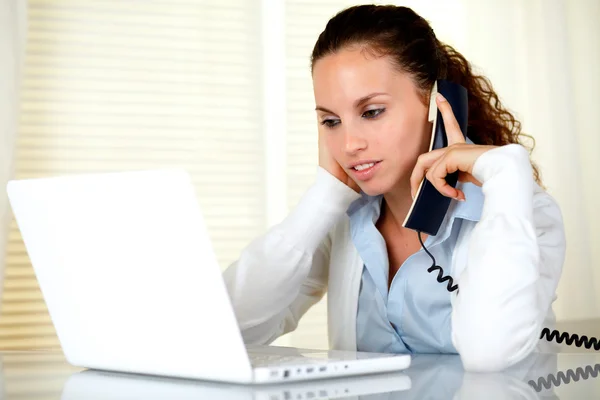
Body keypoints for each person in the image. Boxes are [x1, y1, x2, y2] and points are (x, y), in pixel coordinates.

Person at [222, 4, 565, 372]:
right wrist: (325, 197)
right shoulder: (345, 221)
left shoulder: (521, 211)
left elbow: (489, 353)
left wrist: (505, 168)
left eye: (371, 112)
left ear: (438, 104)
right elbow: (229, 329)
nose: (350, 143)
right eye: (331, 121)